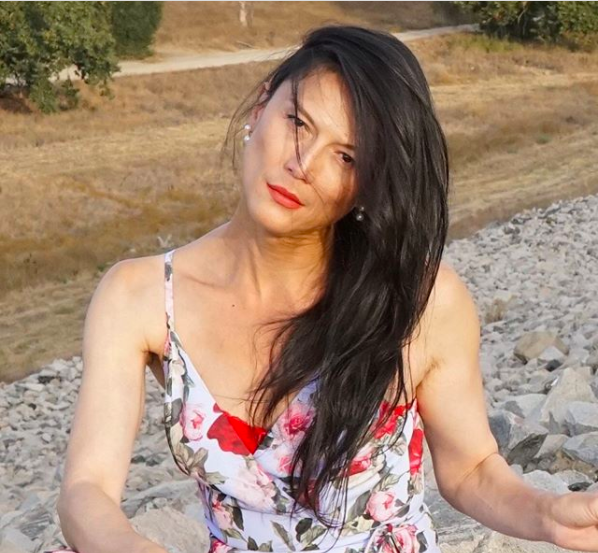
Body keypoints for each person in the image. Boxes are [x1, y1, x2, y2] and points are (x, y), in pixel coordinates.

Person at [50, 24, 598, 553]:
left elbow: (471, 469)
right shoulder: (140, 297)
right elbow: (86, 490)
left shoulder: (417, 299)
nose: (301, 165)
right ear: (262, 106)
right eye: (298, 123)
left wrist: (549, 514)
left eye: (345, 156)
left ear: (366, 185)